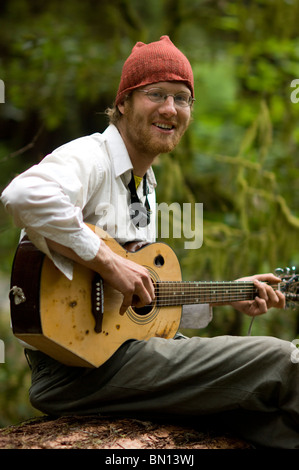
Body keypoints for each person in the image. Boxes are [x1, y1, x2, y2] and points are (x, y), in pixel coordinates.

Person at [1, 36, 298, 449]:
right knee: (284, 360)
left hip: (117, 356)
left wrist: (225, 296)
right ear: (123, 102)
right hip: (79, 370)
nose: (170, 109)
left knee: (269, 421)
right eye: (155, 94)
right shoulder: (91, 157)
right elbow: (24, 196)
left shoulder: (145, 186)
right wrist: (108, 261)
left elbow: (137, 303)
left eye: (182, 98)